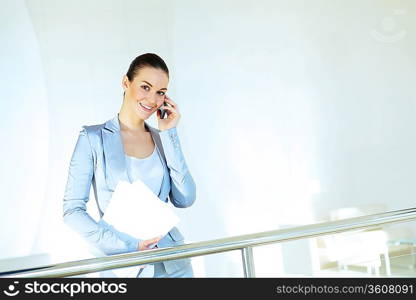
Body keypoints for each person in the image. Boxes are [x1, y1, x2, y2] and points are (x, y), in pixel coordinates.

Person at [62, 53, 196, 278]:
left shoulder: (162, 139)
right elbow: (72, 211)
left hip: (172, 263)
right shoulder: (92, 138)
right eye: (145, 87)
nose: (152, 100)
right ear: (126, 82)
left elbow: (185, 198)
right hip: (123, 263)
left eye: (160, 92)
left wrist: (169, 133)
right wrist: (127, 246)